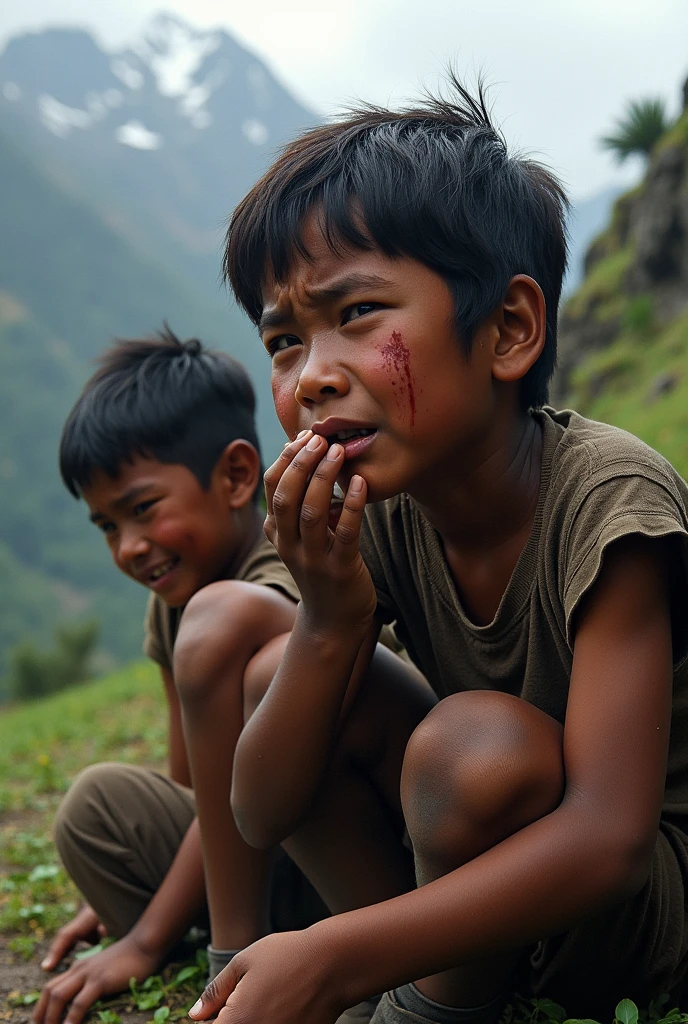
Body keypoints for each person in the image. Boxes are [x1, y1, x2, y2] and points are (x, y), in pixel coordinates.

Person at [187, 81, 688, 1024]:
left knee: (474, 748)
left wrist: (333, 957)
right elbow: (258, 811)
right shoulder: (378, 508)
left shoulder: (611, 502)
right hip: (481, 900)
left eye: (360, 313)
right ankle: (409, 979)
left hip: (632, 911)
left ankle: (410, 998)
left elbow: (612, 837)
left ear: (508, 331)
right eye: (285, 340)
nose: (313, 374)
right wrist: (331, 618)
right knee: (277, 678)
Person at [35, 329, 312, 1024]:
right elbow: (195, 788)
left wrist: (148, 936)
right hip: (251, 857)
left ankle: (259, 944)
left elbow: (251, 786)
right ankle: (249, 930)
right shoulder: (173, 609)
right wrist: (121, 908)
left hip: (334, 841)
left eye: (143, 508)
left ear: (236, 477)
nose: (128, 547)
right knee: (95, 810)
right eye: (106, 525)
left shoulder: (294, 570)